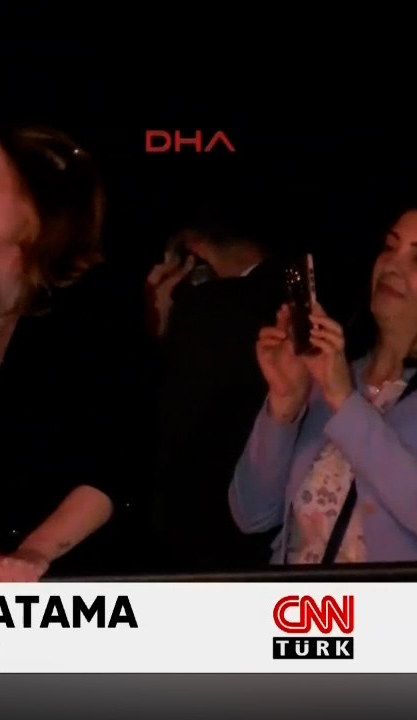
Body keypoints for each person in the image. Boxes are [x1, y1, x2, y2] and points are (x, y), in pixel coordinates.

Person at [0, 126, 151, 582]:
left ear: (37, 203)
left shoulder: (96, 311)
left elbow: (116, 462)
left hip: (72, 594)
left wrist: (34, 553)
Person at [230, 206, 417, 564]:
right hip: (298, 599)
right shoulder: (333, 375)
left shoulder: (338, 388)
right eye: (389, 247)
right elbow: (251, 513)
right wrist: (284, 404)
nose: (392, 266)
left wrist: (345, 402)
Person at [144, 199, 288, 572]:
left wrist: (157, 318)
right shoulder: (295, 295)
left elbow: (165, 414)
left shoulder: (206, 311)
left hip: (203, 529)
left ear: (194, 256)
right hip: (272, 531)